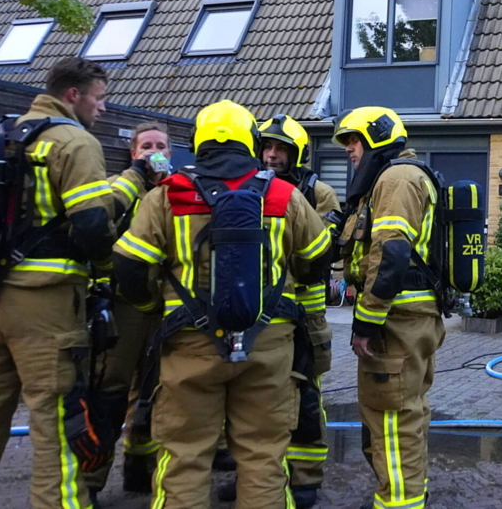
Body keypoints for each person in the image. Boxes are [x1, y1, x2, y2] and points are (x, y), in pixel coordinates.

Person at [113, 100, 332, 509]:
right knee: (264, 456)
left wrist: (151, 308)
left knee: (184, 456)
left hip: (188, 346)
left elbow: (127, 267)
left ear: (198, 143)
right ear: (250, 141)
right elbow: (319, 257)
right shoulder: (284, 194)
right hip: (268, 345)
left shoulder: (167, 195)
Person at [0, 59, 120, 509]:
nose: (102, 108)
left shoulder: (0, 135)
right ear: (74, 95)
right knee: (56, 422)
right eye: (99, 98)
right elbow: (93, 226)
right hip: (45, 305)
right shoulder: (73, 141)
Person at [332, 107, 445, 509]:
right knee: (404, 413)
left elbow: (391, 252)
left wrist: (366, 320)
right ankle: (409, 491)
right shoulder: (397, 177)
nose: (349, 150)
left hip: (397, 318)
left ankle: (400, 502)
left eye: (354, 141)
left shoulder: (397, 178)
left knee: (393, 419)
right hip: (407, 317)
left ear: (378, 137)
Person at [85, 122, 173, 506]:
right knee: (110, 393)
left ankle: (139, 469)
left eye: (161, 146)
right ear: (132, 152)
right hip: (123, 306)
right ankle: (89, 480)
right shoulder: (116, 189)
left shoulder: (177, 193)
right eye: (146, 146)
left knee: (156, 391)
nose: (154, 152)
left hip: (163, 305)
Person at [256, 114, 339, 508]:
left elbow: (323, 255)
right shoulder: (248, 187)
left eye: (280, 150)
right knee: (255, 400)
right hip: (264, 313)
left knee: (306, 395)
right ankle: (259, 479)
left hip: (305, 312)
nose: (271, 156)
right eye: (267, 148)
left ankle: (305, 480)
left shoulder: (318, 193)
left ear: (297, 154)